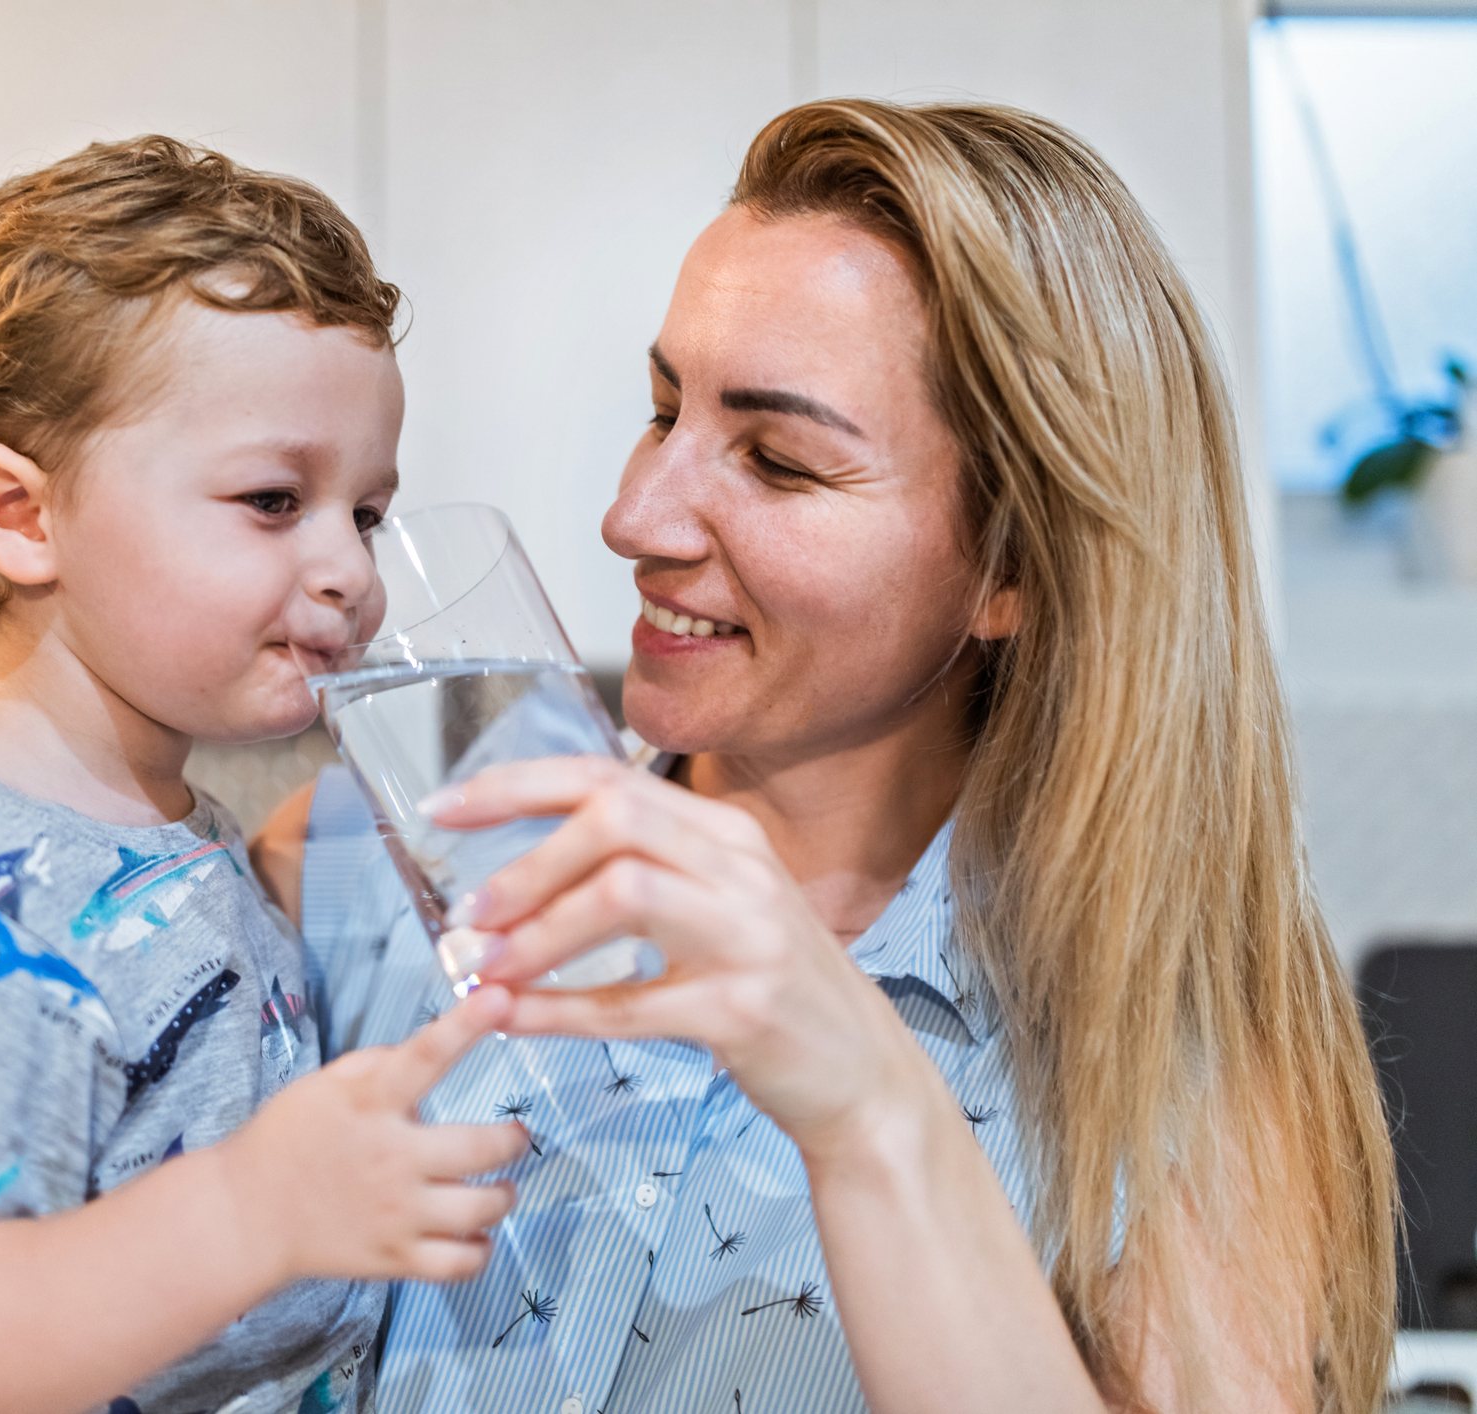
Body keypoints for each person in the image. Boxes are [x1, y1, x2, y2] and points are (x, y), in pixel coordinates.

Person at [256, 100, 1395, 1413]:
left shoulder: (1175, 1078)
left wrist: (868, 1107)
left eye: (779, 461)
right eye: (660, 408)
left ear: (1013, 568)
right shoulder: (368, 867)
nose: (633, 515)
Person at [0, 136, 527, 1414]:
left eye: (369, 511)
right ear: (21, 515)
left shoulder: (167, 830)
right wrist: (255, 1207)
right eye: (276, 499)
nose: (353, 571)